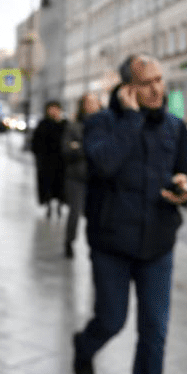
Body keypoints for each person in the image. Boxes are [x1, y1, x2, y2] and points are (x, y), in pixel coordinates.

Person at [72, 54, 187, 374]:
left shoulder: (176, 128)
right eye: (146, 82)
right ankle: (85, 345)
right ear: (127, 88)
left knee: (155, 332)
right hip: (112, 242)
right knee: (112, 320)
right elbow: (104, 165)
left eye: (160, 80)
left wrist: (186, 186)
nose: (157, 89)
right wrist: (130, 119)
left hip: (158, 242)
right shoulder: (101, 124)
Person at [61, 92, 102, 258]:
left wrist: (79, 146)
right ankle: (69, 242)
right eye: (89, 103)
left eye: (95, 102)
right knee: (75, 213)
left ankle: (96, 248)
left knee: (97, 217)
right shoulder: (74, 126)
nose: (92, 106)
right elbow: (66, 149)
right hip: (76, 177)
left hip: (97, 178)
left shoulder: (104, 125)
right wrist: (84, 148)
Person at [30, 101, 66, 218]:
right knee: (47, 184)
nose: (53, 111)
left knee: (60, 185)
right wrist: (38, 156)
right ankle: (48, 204)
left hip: (61, 162)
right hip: (46, 161)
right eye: (51, 109)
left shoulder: (64, 124)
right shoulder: (43, 124)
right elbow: (36, 143)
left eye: (56, 108)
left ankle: (60, 204)